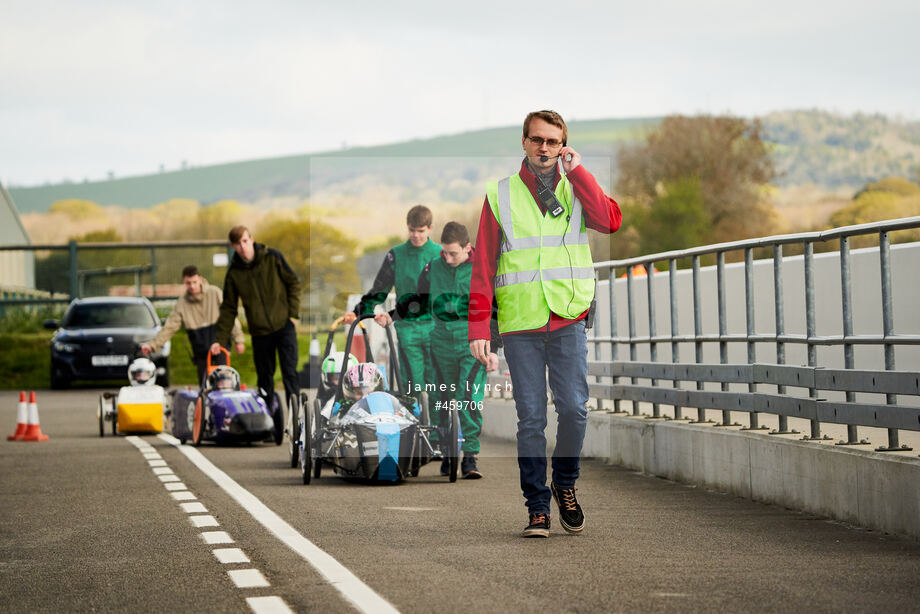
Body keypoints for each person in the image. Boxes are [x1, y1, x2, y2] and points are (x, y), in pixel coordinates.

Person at [468, 110, 622, 537]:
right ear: (524, 142)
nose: (544, 148)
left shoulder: (577, 187)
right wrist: (480, 328)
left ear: (563, 146)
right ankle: (537, 507)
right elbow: (482, 265)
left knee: (574, 409)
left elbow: (610, 222)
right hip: (521, 323)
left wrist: (581, 173)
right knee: (531, 419)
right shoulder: (500, 194)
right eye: (537, 140)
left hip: (568, 315)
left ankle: (565, 484)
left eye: (553, 142)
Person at [386, 221, 499, 479]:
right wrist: (392, 315)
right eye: (444, 253)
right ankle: (447, 452)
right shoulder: (433, 267)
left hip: (472, 342)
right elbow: (418, 299)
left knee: (467, 398)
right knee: (440, 399)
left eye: (453, 253)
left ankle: (470, 457)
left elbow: (494, 309)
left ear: (467, 248)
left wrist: (495, 347)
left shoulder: (481, 269)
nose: (447, 258)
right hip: (439, 342)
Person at [345, 205, 441, 400]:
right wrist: (358, 312)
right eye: (412, 230)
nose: (415, 235)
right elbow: (380, 288)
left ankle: (437, 429)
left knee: (436, 383)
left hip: (435, 327)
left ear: (430, 229)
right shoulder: (396, 255)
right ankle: (415, 426)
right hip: (407, 327)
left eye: (420, 231)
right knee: (413, 383)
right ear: (407, 228)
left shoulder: (441, 254)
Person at [210, 225, 302, 412]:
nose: (243, 247)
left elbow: (293, 283)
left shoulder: (273, 257)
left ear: (251, 239)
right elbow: (228, 308)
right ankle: (267, 419)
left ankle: (298, 418)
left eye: (245, 241)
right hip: (260, 333)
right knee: (264, 378)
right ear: (233, 246)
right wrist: (220, 340)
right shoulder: (234, 273)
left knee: (290, 374)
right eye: (238, 244)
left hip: (284, 326)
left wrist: (293, 314)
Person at [141, 265, 244, 385]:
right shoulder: (182, 303)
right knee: (204, 386)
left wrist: (238, 339)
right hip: (200, 350)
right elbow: (170, 327)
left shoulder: (214, 293)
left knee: (224, 383)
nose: (192, 286)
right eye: (188, 283)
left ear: (200, 279)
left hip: (220, 345)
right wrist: (153, 345)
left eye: (194, 282)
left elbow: (229, 316)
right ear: (183, 282)